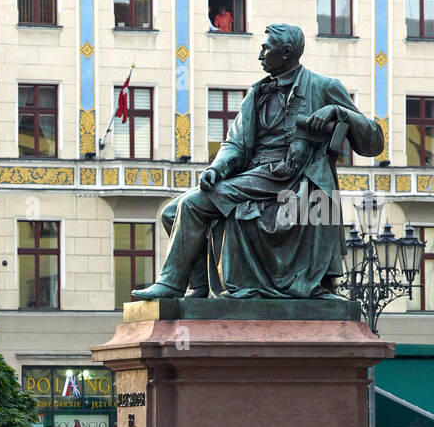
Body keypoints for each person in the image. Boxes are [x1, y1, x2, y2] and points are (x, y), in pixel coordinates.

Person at [133, 23, 384, 301]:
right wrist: (216, 169)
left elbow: (373, 141)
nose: (260, 55)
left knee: (191, 205)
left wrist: (339, 112)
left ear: (287, 52)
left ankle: (171, 285)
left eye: (266, 48)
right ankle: (200, 288)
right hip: (258, 175)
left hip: (295, 178)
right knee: (171, 211)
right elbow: (236, 143)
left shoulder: (323, 87)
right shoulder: (257, 94)